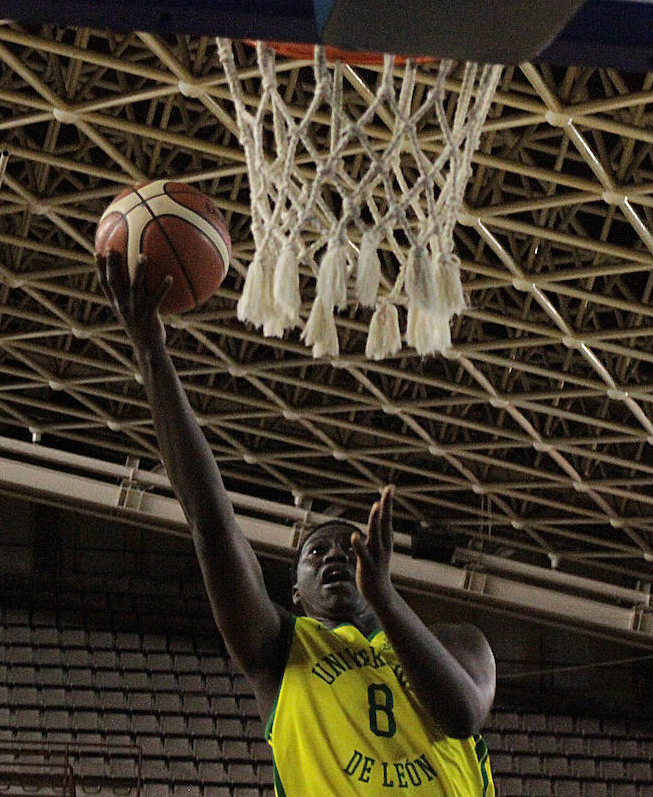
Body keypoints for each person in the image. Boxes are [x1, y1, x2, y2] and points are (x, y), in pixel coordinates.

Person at [99, 256, 497, 796]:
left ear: (379, 564)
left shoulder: (460, 642)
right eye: (315, 553)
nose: (333, 555)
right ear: (294, 593)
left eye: (347, 547)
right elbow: (211, 522)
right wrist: (150, 352)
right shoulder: (280, 650)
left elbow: (463, 717)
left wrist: (381, 599)